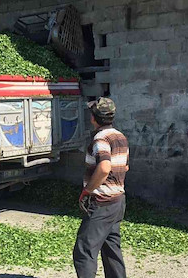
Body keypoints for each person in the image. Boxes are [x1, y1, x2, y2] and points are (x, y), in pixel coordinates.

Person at [73, 97, 128, 278]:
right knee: (111, 248)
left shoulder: (100, 139)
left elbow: (104, 167)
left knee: (84, 250)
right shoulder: (120, 136)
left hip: (102, 202)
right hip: (118, 200)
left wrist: (87, 190)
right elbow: (125, 166)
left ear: (93, 118)